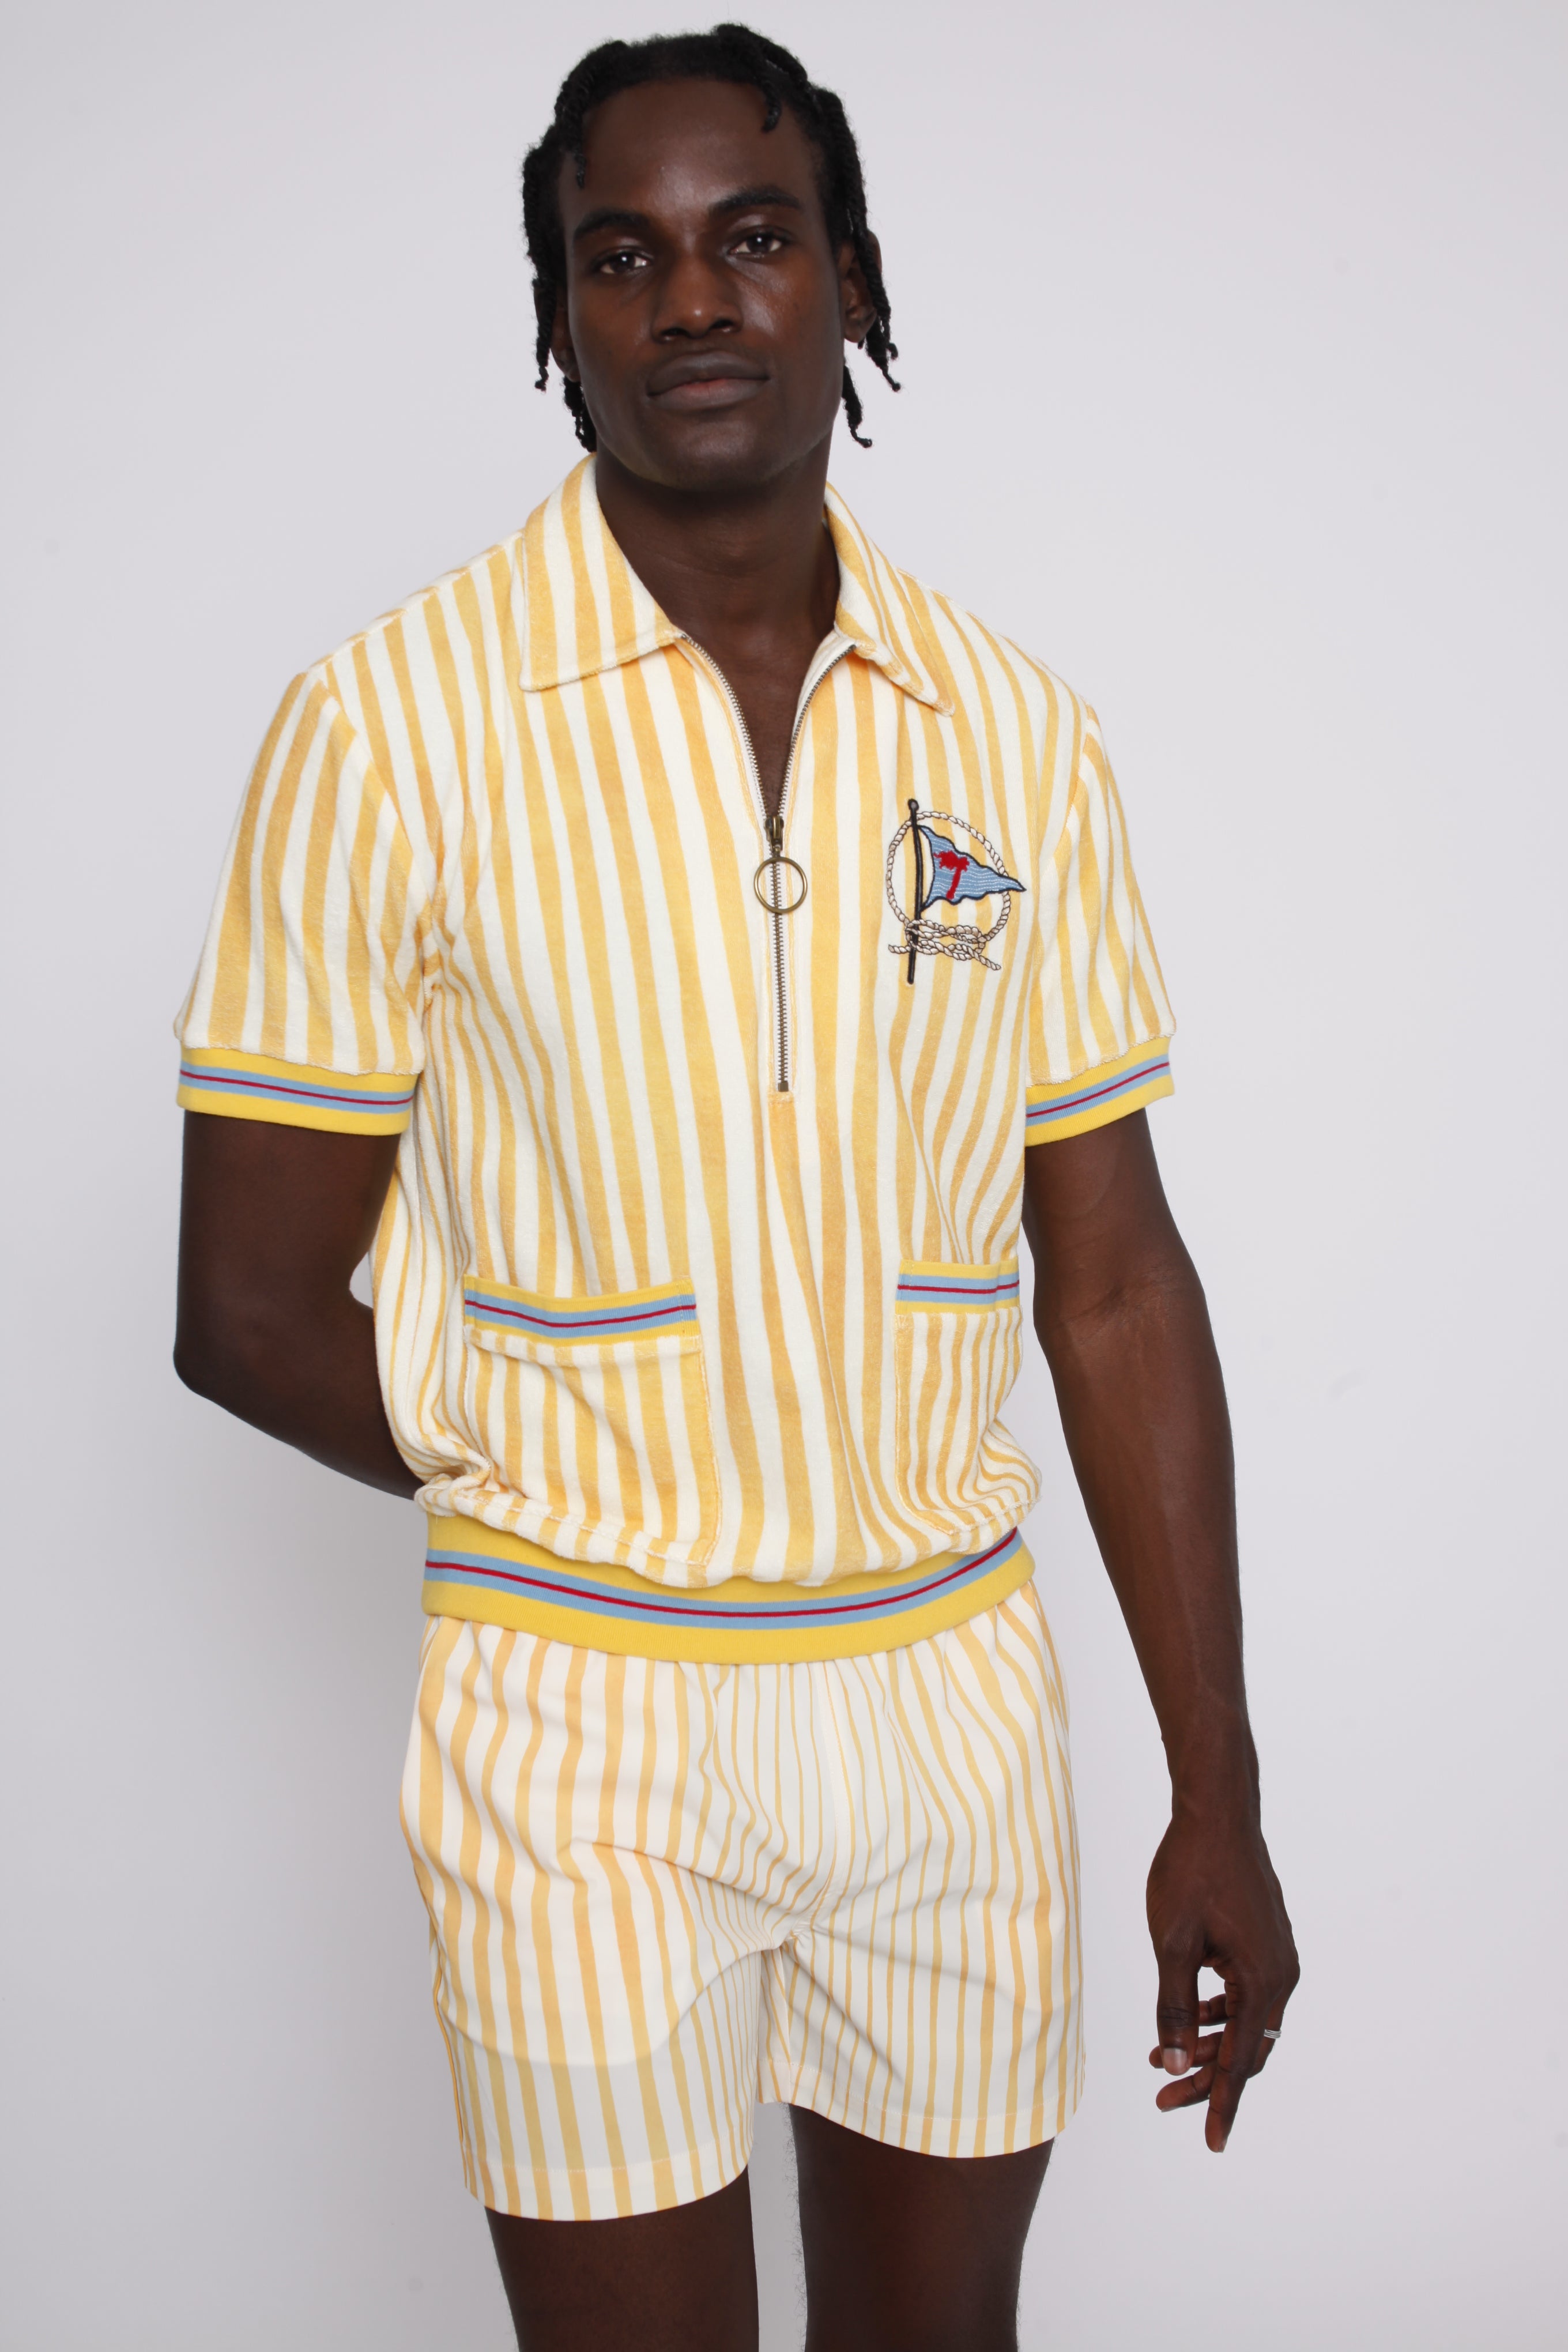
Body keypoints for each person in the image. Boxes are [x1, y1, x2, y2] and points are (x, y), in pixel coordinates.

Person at [173, 24, 1298, 2351]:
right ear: (557, 322)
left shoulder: (1014, 734)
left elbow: (1110, 1282)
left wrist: (1217, 1788)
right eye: (623, 256)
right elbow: (245, 1310)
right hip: (579, 1716)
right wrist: (558, 1474)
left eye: (753, 237)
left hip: (950, 1715)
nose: (691, 297)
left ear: (851, 286)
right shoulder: (387, 727)